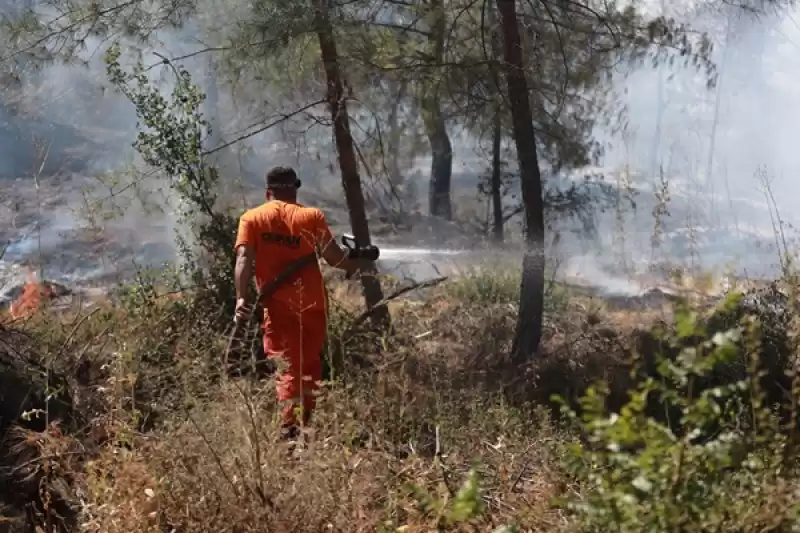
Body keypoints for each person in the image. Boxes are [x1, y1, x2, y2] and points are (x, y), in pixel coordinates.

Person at [233, 166, 363, 441]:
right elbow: (332, 258)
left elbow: (243, 259)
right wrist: (356, 262)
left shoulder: (251, 219)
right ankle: (298, 427)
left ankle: (292, 430)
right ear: (294, 189)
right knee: (308, 367)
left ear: (269, 192)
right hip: (313, 305)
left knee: (289, 368)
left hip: (278, 309)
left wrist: (241, 297)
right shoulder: (311, 216)